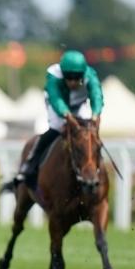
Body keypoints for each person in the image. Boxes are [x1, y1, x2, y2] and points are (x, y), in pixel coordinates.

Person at [16, 50, 103, 187]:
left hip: (80, 104)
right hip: (57, 104)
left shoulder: (90, 75)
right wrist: (66, 115)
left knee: (88, 133)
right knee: (56, 128)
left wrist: (95, 114)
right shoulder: (54, 75)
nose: (73, 82)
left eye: (77, 77)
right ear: (63, 74)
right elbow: (56, 98)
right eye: (68, 77)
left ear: (83, 74)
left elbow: (96, 95)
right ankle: (30, 163)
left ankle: (96, 165)